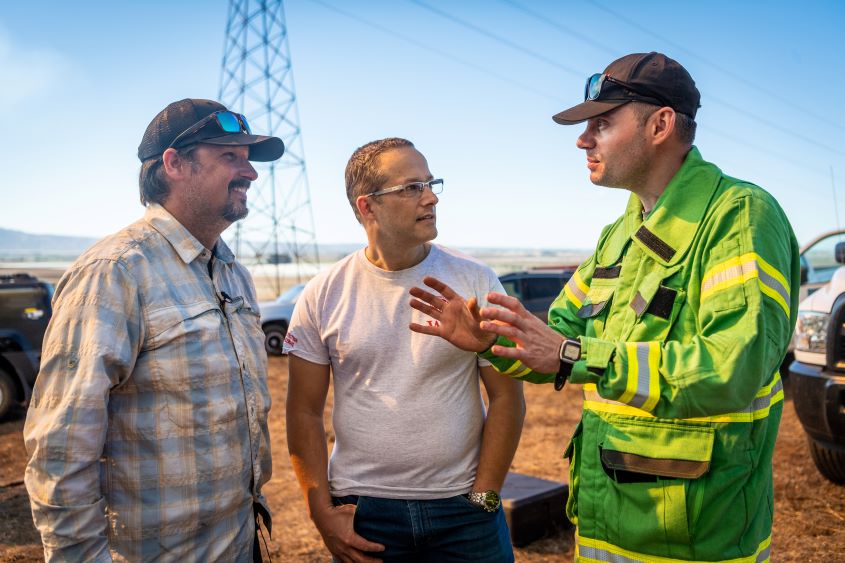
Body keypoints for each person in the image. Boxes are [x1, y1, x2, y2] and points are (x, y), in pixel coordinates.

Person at [409, 52, 799, 562]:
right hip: (604, 523)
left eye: (603, 123)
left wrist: (575, 355)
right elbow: (556, 336)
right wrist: (492, 341)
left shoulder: (740, 216)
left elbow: (734, 367)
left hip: (697, 536)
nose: (582, 139)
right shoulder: (618, 235)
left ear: (660, 125)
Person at [24, 98, 284, 562]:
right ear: (174, 163)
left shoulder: (233, 274)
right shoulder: (115, 272)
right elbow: (60, 449)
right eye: (231, 156)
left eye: (248, 159)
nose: (250, 172)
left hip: (238, 544)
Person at [284, 137, 525, 562]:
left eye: (432, 184)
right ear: (367, 206)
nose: (431, 197)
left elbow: (507, 396)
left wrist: (486, 497)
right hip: (365, 511)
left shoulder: (474, 280)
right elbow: (303, 410)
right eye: (412, 187)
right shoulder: (324, 293)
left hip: (464, 513)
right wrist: (321, 511)